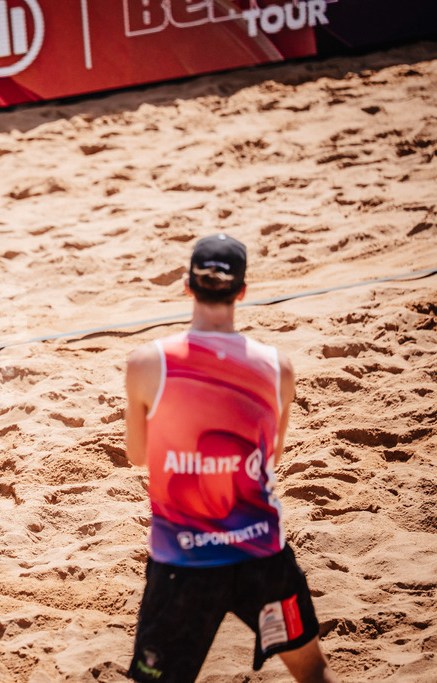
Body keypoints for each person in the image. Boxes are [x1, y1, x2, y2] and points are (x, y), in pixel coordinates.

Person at [123, 234, 337, 682]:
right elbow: (271, 456)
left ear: (187, 285)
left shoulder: (146, 364)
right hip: (262, 559)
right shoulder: (278, 367)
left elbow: (138, 456)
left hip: (182, 563)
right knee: (313, 673)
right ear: (242, 290)